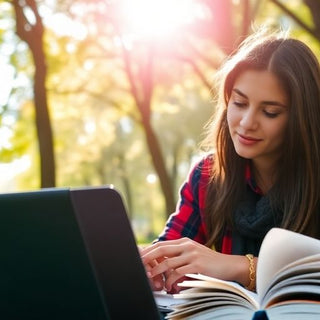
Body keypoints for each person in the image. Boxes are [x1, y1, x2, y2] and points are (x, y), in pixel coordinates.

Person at [140, 28, 320, 295]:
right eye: (239, 103)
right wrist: (151, 267)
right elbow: (168, 256)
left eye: (270, 112)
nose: (247, 123)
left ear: (302, 118)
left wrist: (239, 267)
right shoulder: (207, 176)